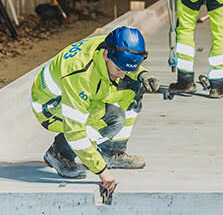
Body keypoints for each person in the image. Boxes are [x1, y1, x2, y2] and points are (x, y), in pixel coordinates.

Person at [30, 26, 159, 196]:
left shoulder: (112, 46)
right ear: (107, 55)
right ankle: (59, 153)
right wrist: (102, 172)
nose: (122, 75)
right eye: (119, 69)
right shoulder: (79, 74)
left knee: (134, 88)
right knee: (113, 119)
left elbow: (126, 68)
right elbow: (75, 132)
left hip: (85, 87)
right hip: (52, 107)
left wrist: (142, 75)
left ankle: (112, 153)